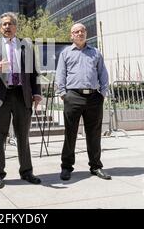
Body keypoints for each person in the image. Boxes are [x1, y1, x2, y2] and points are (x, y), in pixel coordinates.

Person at [0, 12, 42, 189]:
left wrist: (37, 93)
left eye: (10, 24)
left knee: (23, 135)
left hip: (21, 95)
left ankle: (26, 171)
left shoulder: (26, 46)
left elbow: (34, 72)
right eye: (4, 25)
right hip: (0, 96)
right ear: (0, 28)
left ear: (16, 26)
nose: (7, 27)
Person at [55, 23, 111, 181]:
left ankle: (96, 166)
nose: (79, 33)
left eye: (82, 31)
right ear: (71, 35)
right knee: (70, 134)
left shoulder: (95, 53)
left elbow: (103, 74)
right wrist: (63, 94)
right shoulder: (66, 53)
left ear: (86, 33)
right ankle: (66, 167)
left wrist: (103, 93)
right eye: (76, 32)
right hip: (73, 97)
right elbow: (61, 75)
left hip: (94, 97)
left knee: (94, 134)